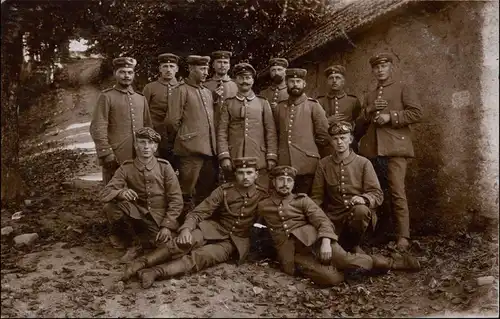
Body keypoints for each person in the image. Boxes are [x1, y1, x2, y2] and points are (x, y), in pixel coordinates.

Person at [258, 165, 420, 286]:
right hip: (294, 254)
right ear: (273, 182)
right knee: (332, 279)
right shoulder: (264, 206)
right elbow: (258, 229)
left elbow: (322, 221)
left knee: (344, 259)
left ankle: (392, 263)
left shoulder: (302, 200)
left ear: (293, 184)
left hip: (316, 241)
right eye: (281, 180)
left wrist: (326, 242)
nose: (285, 184)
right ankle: (353, 268)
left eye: (289, 181)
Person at [122, 157, 268, 289]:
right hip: (214, 228)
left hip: (234, 241)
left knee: (201, 257)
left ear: (256, 175)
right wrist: (186, 229)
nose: (245, 177)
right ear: (235, 174)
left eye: (249, 173)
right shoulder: (224, 191)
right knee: (182, 242)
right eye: (241, 173)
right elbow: (200, 212)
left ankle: (155, 272)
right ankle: (141, 263)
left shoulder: (263, 196)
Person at [356, 53, 424, 251]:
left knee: (397, 192)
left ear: (390, 67)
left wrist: (390, 117)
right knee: (379, 193)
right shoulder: (370, 94)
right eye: (376, 67)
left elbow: (417, 113)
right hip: (374, 151)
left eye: (384, 66)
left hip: (395, 149)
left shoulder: (403, 88)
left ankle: (403, 236)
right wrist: (369, 110)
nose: (380, 70)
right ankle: (383, 233)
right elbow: (360, 125)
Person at [100, 127, 183, 261]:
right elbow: (105, 194)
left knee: (166, 248)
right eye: (142, 142)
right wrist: (121, 193)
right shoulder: (126, 167)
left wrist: (167, 225)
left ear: (155, 147)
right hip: (138, 215)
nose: (146, 147)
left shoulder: (165, 167)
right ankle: (133, 242)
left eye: (150, 143)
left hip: (159, 217)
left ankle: (145, 242)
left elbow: (176, 200)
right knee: (111, 207)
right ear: (135, 145)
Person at [311, 122, 383, 254]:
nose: (339, 142)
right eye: (335, 139)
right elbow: (317, 197)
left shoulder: (363, 163)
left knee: (360, 210)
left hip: (356, 218)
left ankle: (354, 245)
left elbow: (377, 193)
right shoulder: (324, 164)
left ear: (350, 139)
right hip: (333, 218)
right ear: (331, 141)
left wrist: (364, 199)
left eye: (343, 138)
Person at [165, 55, 218, 211]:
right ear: (192, 69)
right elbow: (172, 121)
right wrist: (185, 138)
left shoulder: (207, 92)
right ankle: (181, 223)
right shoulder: (181, 90)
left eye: (207, 69)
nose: (206, 72)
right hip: (189, 150)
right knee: (186, 190)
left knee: (206, 190)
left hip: (209, 149)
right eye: (202, 69)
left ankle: (199, 224)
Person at [90, 57, 152, 185]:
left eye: (130, 72)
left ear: (134, 75)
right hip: (116, 156)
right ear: (115, 74)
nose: (126, 76)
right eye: (122, 72)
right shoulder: (107, 96)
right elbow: (98, 127)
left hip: (139, 157)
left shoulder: (140, 98)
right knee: (114, 194)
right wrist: (106, 153)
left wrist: (151, 152)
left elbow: (148, 128)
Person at [217, 62, 278, 189]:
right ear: (235, 80)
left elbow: (270, 132)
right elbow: (222, 132)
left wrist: (271, 156)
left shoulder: (262, 103)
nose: (244, 81)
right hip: (235, 157)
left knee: (261, 193)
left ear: (253, 80)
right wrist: (224, 156)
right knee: (234, 193)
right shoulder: (229, 103)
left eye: (248, 78)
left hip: (259, 158)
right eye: (241, 78)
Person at [274, 68, 330, 194]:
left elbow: (324, 135)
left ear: (304, 84)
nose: (295, 84)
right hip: (284, 163)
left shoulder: (313, 106)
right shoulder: (279, 108)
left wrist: (309, 147)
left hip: (307, 164)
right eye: (292, 81)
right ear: (286, 83)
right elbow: (275, 134)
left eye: (298, 81)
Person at [142, 53, 181, 167]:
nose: (168, 70)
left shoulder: (182, 88)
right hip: (156, 137)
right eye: (165, 66)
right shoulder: (150, 88)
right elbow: (143, 113)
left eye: (172, 66)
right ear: (160, 69)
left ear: (177, 69)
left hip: (177, 138)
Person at [317, 65, 361, 156]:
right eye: (331, 78)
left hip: (349, 146)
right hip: (327, 146)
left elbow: (360, 124)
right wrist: (328, 121)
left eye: (338, 78)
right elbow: (315, 126)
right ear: (327, 82)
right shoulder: (319, 102)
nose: (334, 81)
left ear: (343, 81)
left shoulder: (353, 101)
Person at [203, 50, 238, 127]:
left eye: (225, 62)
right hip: (211, 126)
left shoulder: (236, 85)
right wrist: (212, 97)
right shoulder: (205, 85)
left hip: (231, 127)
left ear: (229, 66)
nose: (222, 65)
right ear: (213, 65)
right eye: (219, 62)